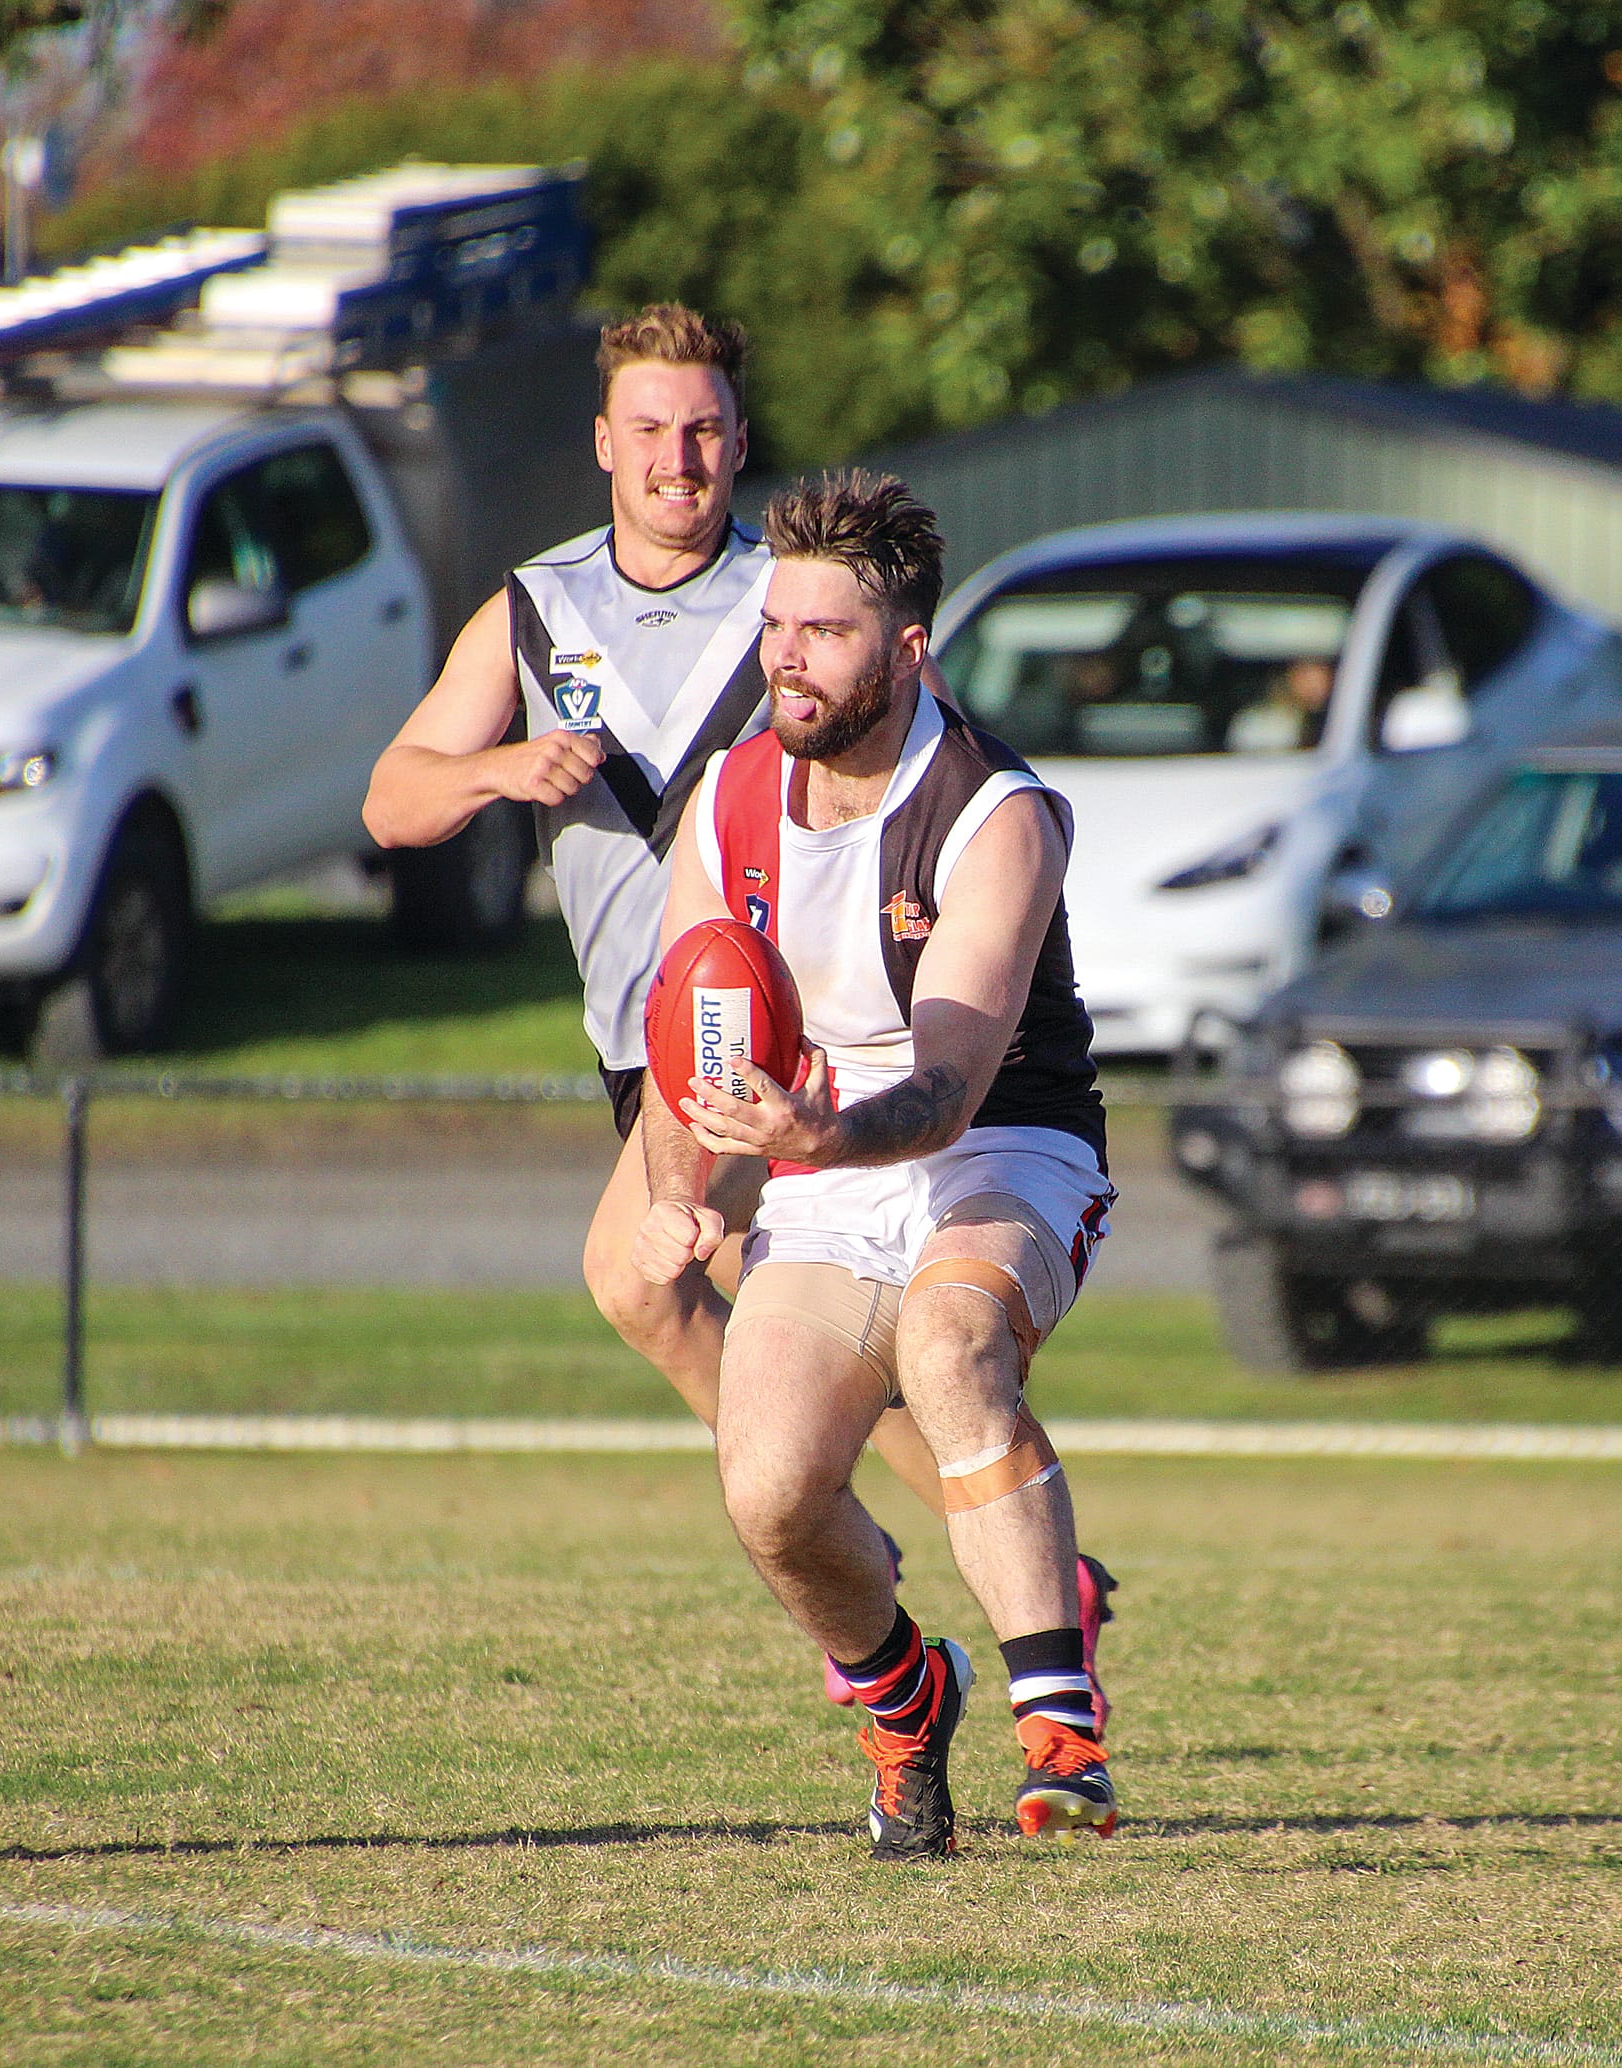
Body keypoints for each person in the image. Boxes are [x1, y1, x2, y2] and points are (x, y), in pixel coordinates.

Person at [361, 305, 1117, 1703]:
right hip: (642, 1031)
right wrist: (496, 770)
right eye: (649, 426)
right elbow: (391, 801)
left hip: (798, 1046)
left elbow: (928, 767)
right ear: (602, 441)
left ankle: (948, 1571)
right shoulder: (539, 610)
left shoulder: (796, 595)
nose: (678, 456)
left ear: (740, 441)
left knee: (767, 1297)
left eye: (704, 427)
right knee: (686, 1293)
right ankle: (898, 1535)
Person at [634, 471, 1118, 1858]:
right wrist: (685, 1188)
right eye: (775, 624)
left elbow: (953, 1085)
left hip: (999, 1150)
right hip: (824, 1165)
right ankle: (907, 1703)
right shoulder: (730, 798)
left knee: (953, 1343)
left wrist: (815, 1136)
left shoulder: (992, 812)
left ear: (907, 650)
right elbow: (695, 1034)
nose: (786, 655)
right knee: (769, 1491)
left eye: (825, 632)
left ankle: (1061, 1728)